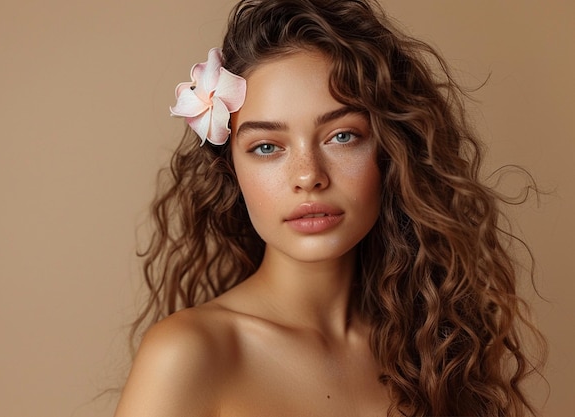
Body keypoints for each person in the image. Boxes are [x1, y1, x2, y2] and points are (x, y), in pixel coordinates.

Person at [114, 0, 545, 416]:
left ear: (392, 151)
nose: (309, 175)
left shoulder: (439, 348)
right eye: (267, 147)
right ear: (232, 171)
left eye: (342, 136)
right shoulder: (188, 354)